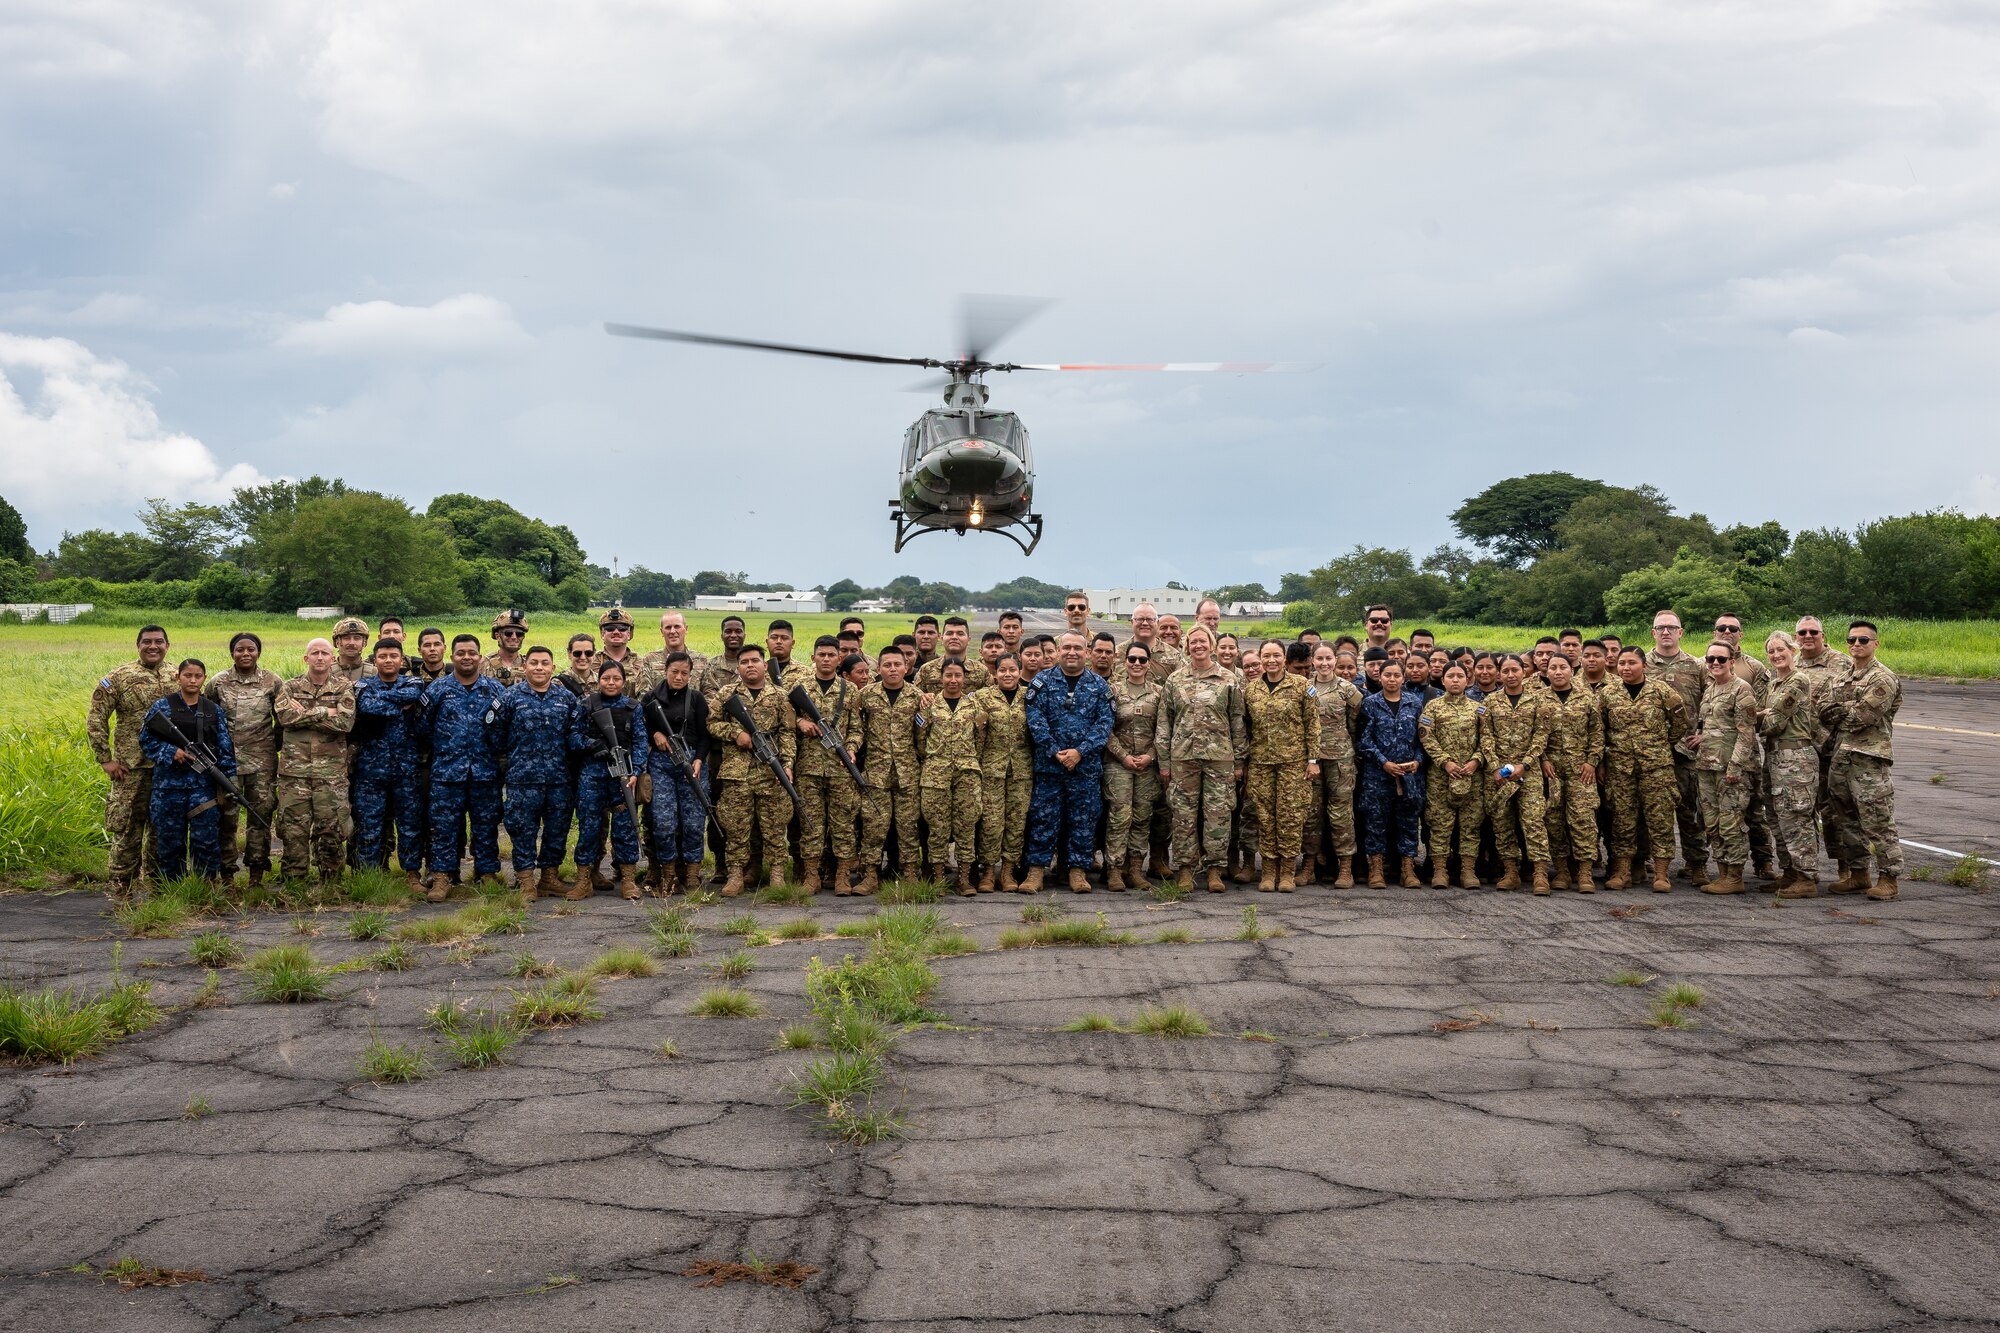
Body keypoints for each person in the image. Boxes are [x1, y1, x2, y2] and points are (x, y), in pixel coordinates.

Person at [1155, 625, 1246, 893]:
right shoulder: (1175, 680)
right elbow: (1165, 722)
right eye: (1193, 642)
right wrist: (1163, 762)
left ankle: (1215, 869)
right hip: (1183, 758)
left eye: (1202, 641)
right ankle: (1185, 869)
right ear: (1187, 646)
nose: (1198, 646)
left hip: (1220, 758)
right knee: (1183, 815)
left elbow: (1237, 721)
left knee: (1218, 815)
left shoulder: (1228, 679)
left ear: (1212, 645)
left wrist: (1239, 761)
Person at [1023, 631, 1115, 893]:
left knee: (1083, 820)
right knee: (1043, 819)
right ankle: (1035, 873)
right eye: (1066, 647)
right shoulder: (1041, 681)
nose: (1072, 652)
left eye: (1078, 648)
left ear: (1087, 652)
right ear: (1059, 650)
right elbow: (1035, 720)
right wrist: (1055, 751)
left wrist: (1080, 752)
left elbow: (1104, 724)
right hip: (1049, 766)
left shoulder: (1099, 686)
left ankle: (1077, 872)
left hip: (1084, 768)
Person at [88, 624, 176, 892]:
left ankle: (156, 884)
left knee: (162, 829)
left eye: (159, 641)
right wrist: (105, 759)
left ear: (167, 645)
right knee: (127, 828)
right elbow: (96, 718)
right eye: (147, 642)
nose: (153, 646)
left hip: (168, 766)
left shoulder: (177, 675)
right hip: (130, 767)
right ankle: (120, 885)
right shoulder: (118, 677)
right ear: (138, 645)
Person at [420, 634, 506, 900]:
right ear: (452, 657)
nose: (466, 657)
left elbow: (504, 727)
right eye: (461, 653)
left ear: (480, 657)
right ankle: (443, 877)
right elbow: (423, 729)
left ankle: (487, 873)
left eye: (471, 652)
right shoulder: (437, 690)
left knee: (486, 825)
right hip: (448, 772)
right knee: (444, 827)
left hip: (485, 771)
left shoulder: (495, 690)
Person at [494, 645, 579, 900]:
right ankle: (526, 880)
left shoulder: (566, 698)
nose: (539, 667)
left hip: (559, 778)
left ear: (553, 667)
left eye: (545, 663)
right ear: (524, 667)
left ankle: (550, 878)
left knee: (557, 828)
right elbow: (496, 734)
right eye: (534, 663)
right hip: (523, 778)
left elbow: (573, 735)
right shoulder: (510, 697)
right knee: (522, 829)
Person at [709, 645, 796, 894]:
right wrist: (736, 733)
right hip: (737, 771)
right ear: (738, 668)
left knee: (775, 825)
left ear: (764, 665)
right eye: (745, 662)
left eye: (755, 661)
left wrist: (787, 765)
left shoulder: (780, 695)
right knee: (736, 826)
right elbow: (712, 723)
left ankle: (777, 874)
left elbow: (788, 733)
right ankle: (735, 875)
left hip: (771, 770)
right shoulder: (727, 694)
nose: (750, 665)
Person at [1825, 621, 1903, 901]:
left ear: (1875, 644)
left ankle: (1889, 877)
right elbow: (1823, 709)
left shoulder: (1882, 678)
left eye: (1863, 640)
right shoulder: (1842, 675)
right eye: (1852, 639)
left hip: (1869, 759)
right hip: (1841, 756)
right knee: (1846, 820)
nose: (1856, 644)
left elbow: (1862, 718)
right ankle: (1858, 874)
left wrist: (1842, 708)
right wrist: (1847, 707)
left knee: (1877, 820)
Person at [140, 658, 236, 882]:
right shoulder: (162, 707)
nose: (193, 680)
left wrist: (229, 780)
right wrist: (169, 752)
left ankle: (204, 888)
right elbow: (145, 740)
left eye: (198, 676)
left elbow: (225, 748)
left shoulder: (213, 710)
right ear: (178, 677)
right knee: (170, 841)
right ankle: (172, 888)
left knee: (206, 841)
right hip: (168, 787)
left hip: (203, 788)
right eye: (188, 675)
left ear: (204, 679)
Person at [1601, 647, 1689, 891]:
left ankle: (1661, 874)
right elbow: (1601, 728)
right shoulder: (1608, 694)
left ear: (1644, 665)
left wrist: (1659, 744)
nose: (1626, 668)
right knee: (1622, 820)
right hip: (1621, 768)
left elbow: (1680, 722)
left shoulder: (1661, 691)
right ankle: (1622, 872)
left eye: (1632, 663)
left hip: (1656, 767)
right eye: (1621, 663)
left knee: (1660, 819)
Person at [275, 638, 356, 884]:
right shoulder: (290, 686)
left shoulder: (343, 687)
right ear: (306, 658)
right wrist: (325, 711)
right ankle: (294, 882)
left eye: (324, 653)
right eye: (314, 653)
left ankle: (330, 882)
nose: (320, 657)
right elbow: (285, 718)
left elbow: (345, 723)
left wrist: (305, 712)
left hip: (330, 774)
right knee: (293, 830)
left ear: (333, 659)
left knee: (331, 829)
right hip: (294, 774)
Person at [1241, 640, 1319, 891]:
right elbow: (1247, 728)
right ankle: (1269, 870)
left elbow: (1313, 724)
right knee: (1265, 817)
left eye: (1276, 655)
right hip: (1261, 763)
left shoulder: (1302, 686)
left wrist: (1312, 760)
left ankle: (1287, 871)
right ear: (1260, 659)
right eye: (1266, 656)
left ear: (1284, 658)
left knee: (1290, 816)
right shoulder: (1251, 690)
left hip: (1293, 763)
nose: (1271, 660)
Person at [351, 639, 428, 889]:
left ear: (402, 659)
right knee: (369, 825)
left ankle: (412, 874)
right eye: (382, 656)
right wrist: (400, 706)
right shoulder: (364, 685)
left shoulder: (413, 681)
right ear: (374, 660)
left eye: (393, 656)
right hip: (371, 770)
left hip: (406, 769)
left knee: (409, 825)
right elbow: (366, 707)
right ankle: (368, 876)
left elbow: (413, 695)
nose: (388, 660)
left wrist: (383, 700)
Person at [205, 631, 281, 886]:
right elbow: (207, 719)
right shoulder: (217, 683)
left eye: (251, 649)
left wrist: (272, 747)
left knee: (260, 818)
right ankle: (226, 873)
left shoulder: (273, 682)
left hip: (262, 763)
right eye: (240, 649)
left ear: (258, 652)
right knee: (227, 818)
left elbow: (281, 721)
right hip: (227, 763)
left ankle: (256, 874)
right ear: (232, 653)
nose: (245, 654)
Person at [792, 636, 865, 893]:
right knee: (810, 823)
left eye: (831, 655)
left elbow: (857, 728)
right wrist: (800, 723)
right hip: (808, 768)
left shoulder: (850, 690)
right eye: (821, 655)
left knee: (844, 824)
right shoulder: (798, 687)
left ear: (838, 658)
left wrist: (853, 748)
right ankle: (811, 877)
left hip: (841, 768)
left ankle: (842, 876)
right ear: (813, 657)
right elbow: (784, 721)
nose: (825, 659)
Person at [570, 659, 648, 899]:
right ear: (598, 680)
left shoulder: (633, 708)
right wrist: (592, 745)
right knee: (589, 828)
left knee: (625, 828)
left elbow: (641, 742)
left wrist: (635, 773)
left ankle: (627, 881)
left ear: (624, 681)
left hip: (623, 777)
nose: (611, 683)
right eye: (606, 678)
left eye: (616, 679)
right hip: (593, 775)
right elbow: (573, 736)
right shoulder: (586, 705)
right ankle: (584, 880)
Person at [1645, 610, 1710, 885]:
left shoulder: (1697, 666)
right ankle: (1648, 861)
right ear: (1653, 633)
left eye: (1672, 628)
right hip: (1651, 750)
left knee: (1690, 810)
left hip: (1686, 751)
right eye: (1661, 628)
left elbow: (1713, 701)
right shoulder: (1641, 664)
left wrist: (1705, 733)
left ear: (1681, 632)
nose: (1666, 632)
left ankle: (1696, 864)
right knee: (1650, 808)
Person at [1691, 640, 1760, 894]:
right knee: (1712, 822)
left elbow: (1746, 734)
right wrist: (1701, 737)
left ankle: (1735, 876)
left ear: (1732, 662)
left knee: (1731, 823)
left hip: (1730, 769)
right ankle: (1721, 873)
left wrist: (1735, 767)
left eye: (1721, 659)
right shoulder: (1709, 689)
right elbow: (1709, 724)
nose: (1716, 663)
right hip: (1707, 765)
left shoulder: (1742, 690)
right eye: (1711, 659)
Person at [1759, 631, 1823, 898]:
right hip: (1775, 756)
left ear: (1793, 650)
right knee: (1777, 817)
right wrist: (1763, 714)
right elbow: (1769, 715)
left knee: (1796, 818)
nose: (1776, 655)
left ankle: (1806, 877)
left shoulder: (1797, 680)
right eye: (1771, 651)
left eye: (1781, 650)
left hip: (1795, 759)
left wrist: (1739, 716)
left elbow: (1775, 721)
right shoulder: (1776, 683)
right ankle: (1789, 872)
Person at [1713, 612, 1777, 880]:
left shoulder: (1754, 668)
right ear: (1714, 631)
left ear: (1741, 633)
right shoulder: (1706, 663)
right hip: (1712, 751)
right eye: (1722, 627)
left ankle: (1763, 861)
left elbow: (1763, 709)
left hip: (1744, 751)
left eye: (1733, 628)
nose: (1727, 631)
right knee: (1716, 811)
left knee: (1752, 809)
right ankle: (1721, 864)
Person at [642, 651, 712, 895]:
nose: (679, 677)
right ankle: (668, 874)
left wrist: (699, 760)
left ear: (691, 675)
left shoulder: (696, 699)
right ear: (665, 672)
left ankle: (692, 875)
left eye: (685, 673)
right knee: (663, 821)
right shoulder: (650, 698)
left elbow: (705, 735)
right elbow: (642, 726)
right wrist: (656, 734)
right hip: (661, 764)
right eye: (675, 672)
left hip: (691, 762)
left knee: (693, 821)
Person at [1482, 654, 1553, 891]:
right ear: (1500, 674)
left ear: (1524, 671)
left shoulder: (1538, 701)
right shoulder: (1490, 702)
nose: (1511, 675)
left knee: (1533, 822)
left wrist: (1526, 764)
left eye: (1515, 670)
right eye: (1506, 671)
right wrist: (1494, 767)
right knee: (1502, 823)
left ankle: (1540, 873)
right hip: (1499, 774)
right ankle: (1510, 871)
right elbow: (1486, 737)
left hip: (1528, 773)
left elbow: (1541, 737)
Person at [858, 646, 923, 893]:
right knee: (874, 826)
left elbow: (923, 735)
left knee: (908, 826)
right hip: (876, 772)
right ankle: (870, 875)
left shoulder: (918, 697)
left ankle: (909, 873)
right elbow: (857, 728)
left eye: (897, 664)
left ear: (906, 668)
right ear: (879, 668)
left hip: (908, 772)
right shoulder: (866, 696)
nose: (893, 669)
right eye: (887, 665)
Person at [919, 660, 987, 893]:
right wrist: (933, 758)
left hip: (967, 773)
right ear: (941, 677)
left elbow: (981, 738)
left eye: (958, 675)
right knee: (937, 826)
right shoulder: (928, 705)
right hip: (935, 773)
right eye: (949, 675)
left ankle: (964, 879)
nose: (953, 680)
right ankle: (938, 878)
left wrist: (969, 759)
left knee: (966, 825)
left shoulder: (975, 706)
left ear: (964, 678)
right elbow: (920, 738)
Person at [1356, 660, 1426, 887]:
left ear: (1403, 677)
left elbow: (1422, 738)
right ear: (1380, 677)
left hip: (1408, 775)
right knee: (1376, 822)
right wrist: (1384, 762)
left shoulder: (1414, 703)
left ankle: (1408, 869)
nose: (1392, 679)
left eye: (1397, 675)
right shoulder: (1370, 704)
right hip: (1378, 775)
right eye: (1388, 675)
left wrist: (1417, 760)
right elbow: (1364, 741)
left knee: (1407, 821)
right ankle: (1376, 869)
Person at [1539, 653, 1604, 892]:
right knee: (1553, 820)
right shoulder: (1539, 699)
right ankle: (1563, 871)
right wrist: (1543, 759)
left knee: (1583, 820)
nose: (1557, 671)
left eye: (1562, 667)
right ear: (1547, 673)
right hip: (1552, 770)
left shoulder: (1587, 698)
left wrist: (1592, 761)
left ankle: (1585, 872)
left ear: (1572, 671)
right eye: (1553, 667)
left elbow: (1597, 734)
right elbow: (1536, 735)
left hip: (1581, 769)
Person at [1103, 642, 1164, 891]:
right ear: (1124, 662)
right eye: (1132, 659)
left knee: (1142, 817)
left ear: (1149, 663)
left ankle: (1136, 869)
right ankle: (1115, 870)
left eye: (1142, 659)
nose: (1136, 664)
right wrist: (1123, 756)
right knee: (1119, 817)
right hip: (1118, 764)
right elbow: (1105, 728)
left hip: (1148, 766)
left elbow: (1165, 729)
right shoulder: (1112, 690)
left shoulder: (1159, 693)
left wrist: (1150, 756)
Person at [1419, 663, 1485, 889]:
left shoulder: (1479, 709)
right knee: (1439, 823)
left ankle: (1468, 871)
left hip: (1471, 776)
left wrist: (1476, 760)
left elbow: (1487, 739)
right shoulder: (1432, 707)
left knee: (1471, 824)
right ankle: (1440, 870)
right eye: (1451, 676)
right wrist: (1444, 761)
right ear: (1443, 680)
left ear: (1468, 680)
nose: (1455, 680)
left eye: (1460, 676)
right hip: (1441, 776)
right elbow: (1426, 738)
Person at [1306, 643, 1365, 887]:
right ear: (1312, 660)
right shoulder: (1304, 687)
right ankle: (1308, 866)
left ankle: (1345, 869)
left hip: (1340, 759)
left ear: (1334, 659)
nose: (1324, 663)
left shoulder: (1348, 689)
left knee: (1341, 814)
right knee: (1311, 814)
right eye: (1319, 658)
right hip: (1311, 760)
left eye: (1328, 658)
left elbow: (1355, 722)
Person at [974, 653, 1034, 891]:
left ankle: (1008, 871)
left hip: (1022, 769)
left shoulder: (1030, 696)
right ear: (995, 673)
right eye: (1002, 670)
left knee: (1016, 822)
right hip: (991, 769)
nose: (1007, 675)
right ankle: (988, 872)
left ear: (1019, 672)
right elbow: (976, 733)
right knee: (990, 822)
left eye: (1012, 670)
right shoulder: (981, 697)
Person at [1121, 602, 1183, 682]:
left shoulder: (1174, 656)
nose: (1145, 623)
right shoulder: (1116, 654)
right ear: (1132, 622)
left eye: (1150, 619)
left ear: (1157, 623)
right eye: (1140, 619)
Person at [482, 609, 530, 686]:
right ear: (497, 636)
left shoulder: (530, 665)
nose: (514, 637)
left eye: (519, 634)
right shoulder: (483, 664)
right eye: (508, 633)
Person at [331, 617, 371, 683]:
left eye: (357, 638)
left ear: (364, 643)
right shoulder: (325, 673)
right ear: (337, 642)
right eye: (346, 638)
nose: (351, 643)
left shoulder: (375, 673)